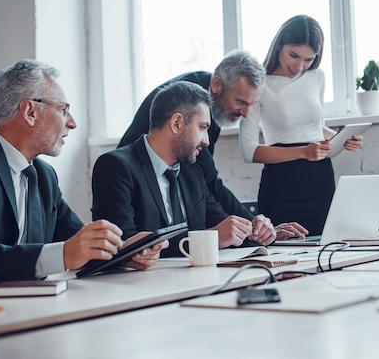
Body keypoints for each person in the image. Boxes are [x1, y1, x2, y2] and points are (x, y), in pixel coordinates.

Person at [0, 59, 166, 284]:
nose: (72, 123)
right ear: (30, 111)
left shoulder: (44, 176)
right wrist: (62, 254)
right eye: (63, 110)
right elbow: (66, 252)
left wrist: (123, 252)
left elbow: (77, 243)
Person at [119, 49, 307, 240]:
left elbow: (206, 186)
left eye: (252, 104)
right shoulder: (190, 102)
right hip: (136, 198)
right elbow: (211, 182)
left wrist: (256, 231)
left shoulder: (214, 107)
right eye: (241, 102)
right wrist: (253, 228)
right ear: (217, 85)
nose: (246, 113)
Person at [92, 81, 277, 256]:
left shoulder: (192, 170)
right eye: (202, 127)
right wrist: (209, 239)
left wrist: (255, 232)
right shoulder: (115, 167)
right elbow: (123, 244)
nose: (207, 141)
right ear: (177, 123)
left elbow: (222, 226)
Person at [239, 15, 363, 236]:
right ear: (279, 46)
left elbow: (315, 127)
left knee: (324, 246)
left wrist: (342, 138)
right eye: (293, 55)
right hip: (281, 183)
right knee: (280, 252)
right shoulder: (258, 83)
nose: (299, 66)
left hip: (320, 180)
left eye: (308, 59)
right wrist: (304, 152)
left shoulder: (317, 77)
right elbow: (249, 152)